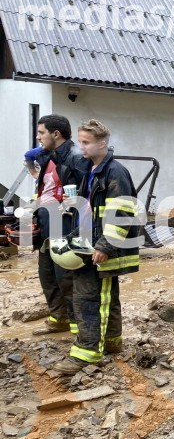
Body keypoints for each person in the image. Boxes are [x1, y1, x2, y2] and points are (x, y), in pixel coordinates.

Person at [52, 119, 140, 375]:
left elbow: (121, 213)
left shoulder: (115, 172)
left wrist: (104, 246)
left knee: (89, 299)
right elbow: (91, 209)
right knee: (107, 298)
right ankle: (112, 343)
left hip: (100, 247)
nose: (81, 148)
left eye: (86, 142)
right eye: (80, 142)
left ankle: (87, 352)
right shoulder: (92, 170)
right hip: (89, 242)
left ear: (102, 143)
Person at [33, 115, 87, 335]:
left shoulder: (75, 158)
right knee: (46, 274)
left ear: (56, 134)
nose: (38, 137)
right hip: (46, 222)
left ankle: (78, 328)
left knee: (65, 276)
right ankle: (59, 318)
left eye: (41, 133)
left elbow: (88, 192)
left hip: (65, 224)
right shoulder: (48, 157)